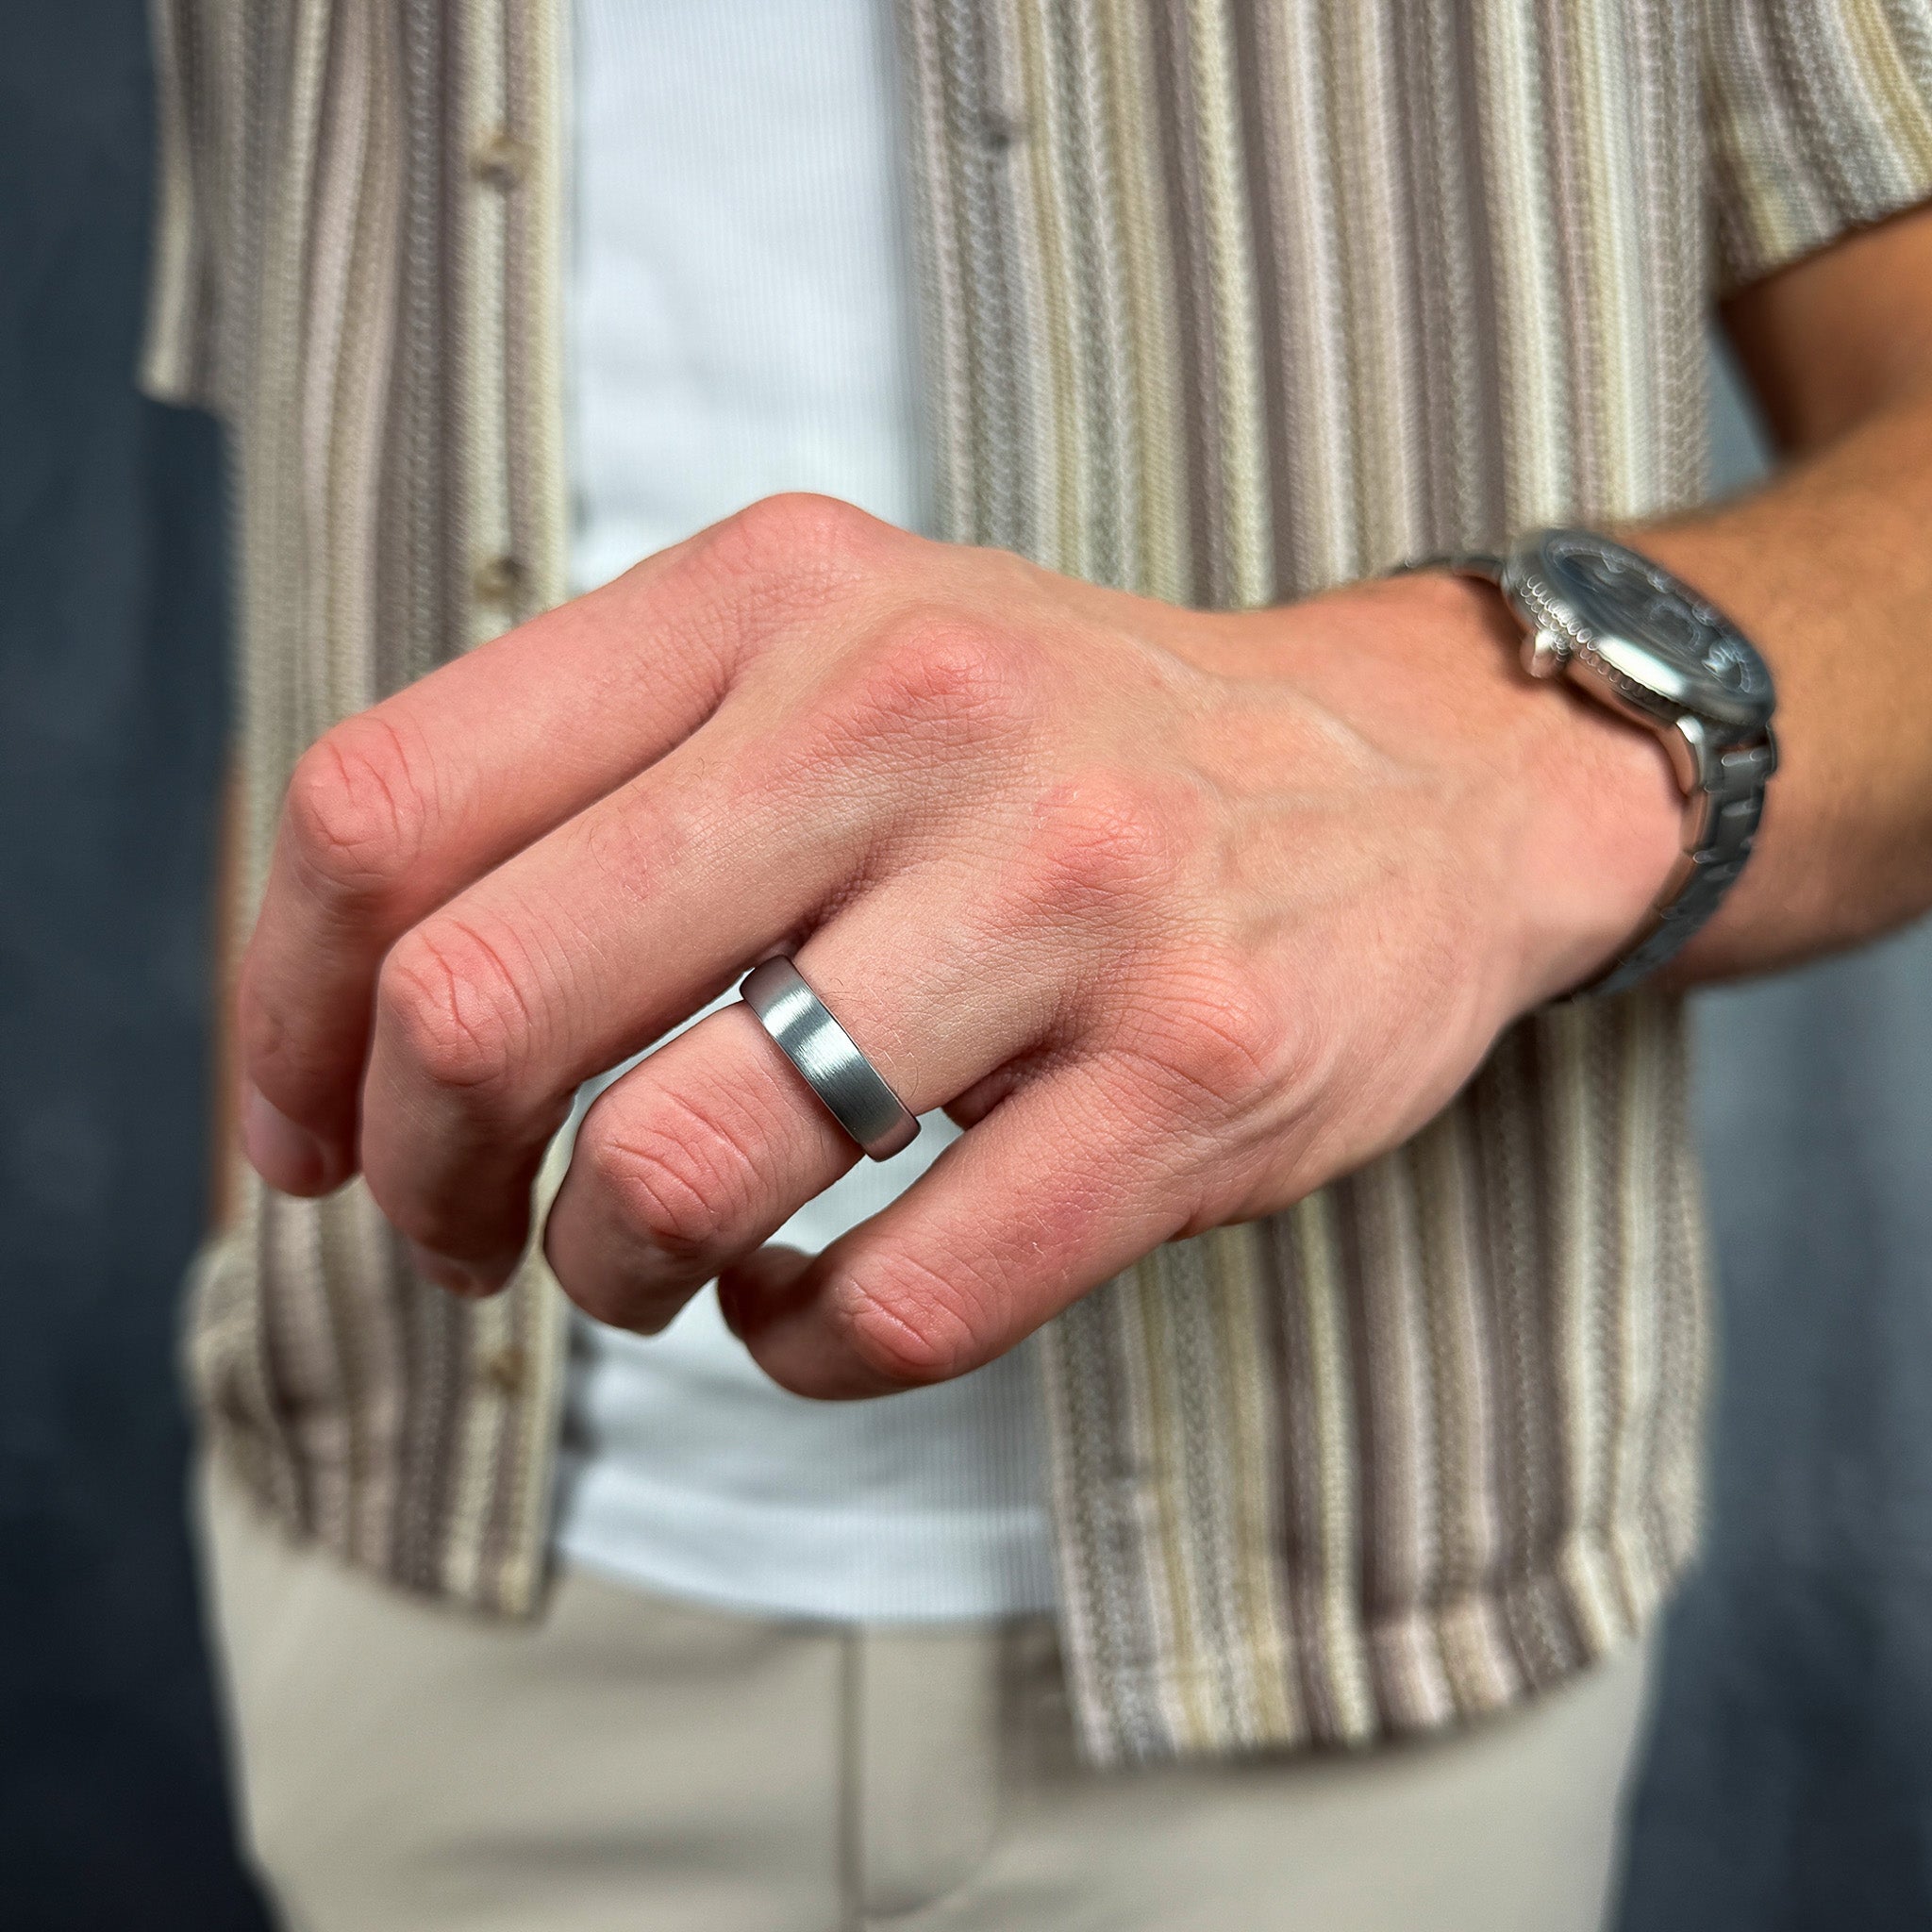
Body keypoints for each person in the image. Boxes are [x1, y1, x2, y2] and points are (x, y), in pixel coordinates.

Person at [142, 0, 1932, 1925]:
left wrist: (1493, 758)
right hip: (418, 1582)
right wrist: (268, 1258)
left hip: (1363, 1652)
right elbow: (322, 528)